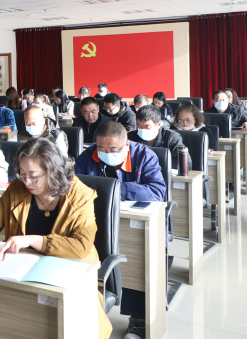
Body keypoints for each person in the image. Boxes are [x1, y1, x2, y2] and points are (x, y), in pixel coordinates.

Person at [0, 138, 112, 339]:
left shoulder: (81, 195)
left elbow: (81, 245)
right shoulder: (18, 187)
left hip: (70, 272)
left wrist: (32, 240)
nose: (27, 182)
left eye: (34, 176)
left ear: (52, 171)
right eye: (22, 174)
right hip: (22, 271)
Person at [74, 121, 165, 339]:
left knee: (137, 258)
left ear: (126, 145)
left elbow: (156, 192)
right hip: (95, 218)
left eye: (113, 149)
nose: (106, 154)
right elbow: (75, 186)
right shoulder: (88, 156)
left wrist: (113, 189)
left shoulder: (145, 156)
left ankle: (139, 318)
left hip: (134, 220)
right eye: (101, 149)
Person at [129, 105, 191, 172]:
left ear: (159, 124)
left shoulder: (171, 137)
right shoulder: (131, 137)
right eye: (139, 125)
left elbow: (185, 163)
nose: (143, 129)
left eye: (147, 126)